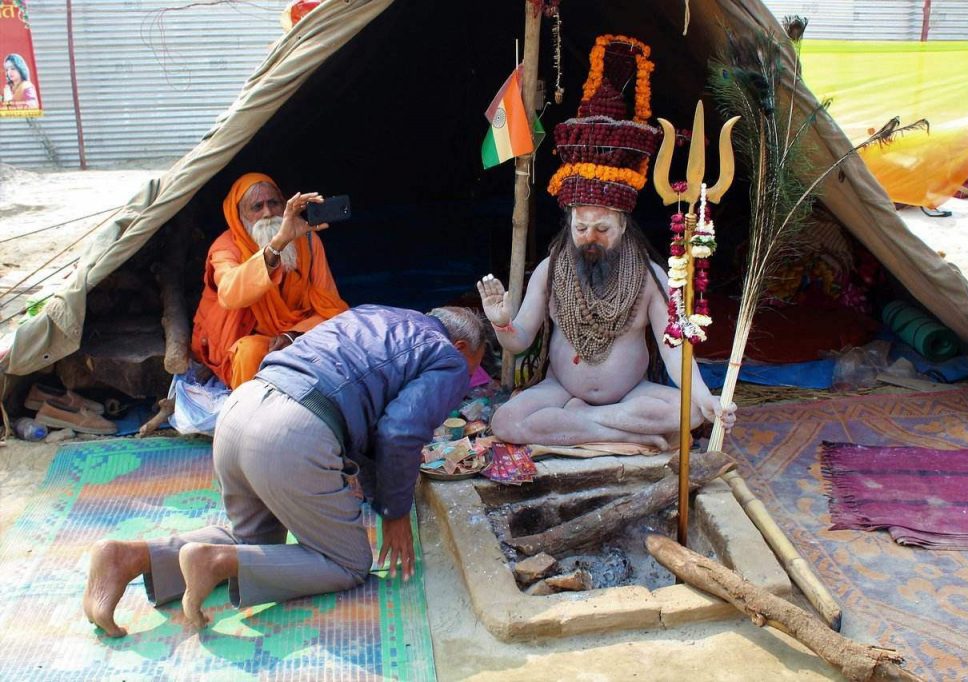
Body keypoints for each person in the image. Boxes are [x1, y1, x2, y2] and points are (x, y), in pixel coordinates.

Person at [83, 304, 487, 637]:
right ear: (461, 345)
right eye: (471, 371)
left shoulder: (374, 314)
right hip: (293, 432)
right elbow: (399, 433)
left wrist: (368, 483)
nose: (463, 383)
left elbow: (365, 405)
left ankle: (129, 557)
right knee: (349, 563)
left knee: (255, 541)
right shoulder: (447, 356)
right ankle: (218, 562)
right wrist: (395, 512)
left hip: (241, 410)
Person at [476, 34, 735, 450]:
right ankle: (620, 436)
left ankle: (584, 425)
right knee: (506, 420)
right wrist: (501, 320)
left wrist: (708, 399)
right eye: (581, 229)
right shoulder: (551, 269)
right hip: (560, 390)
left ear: (624, 226)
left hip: (632, 396)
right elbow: (519, 340)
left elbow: (674, 355)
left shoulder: (650, 278)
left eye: (602, 229)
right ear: (569, 224)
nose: (590, 238)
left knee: (687, 413)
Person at [191, 172, 348, 388]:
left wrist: (293, 335)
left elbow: (330, 307)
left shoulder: (308, 241)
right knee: (249, 353)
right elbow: (230, 294)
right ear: (238, 215)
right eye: (257, 207)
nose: (268, 213)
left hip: (300, 335)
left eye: (273, 203)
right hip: (251, 340)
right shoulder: (226, 247)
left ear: (284, 205)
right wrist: (278, 244)